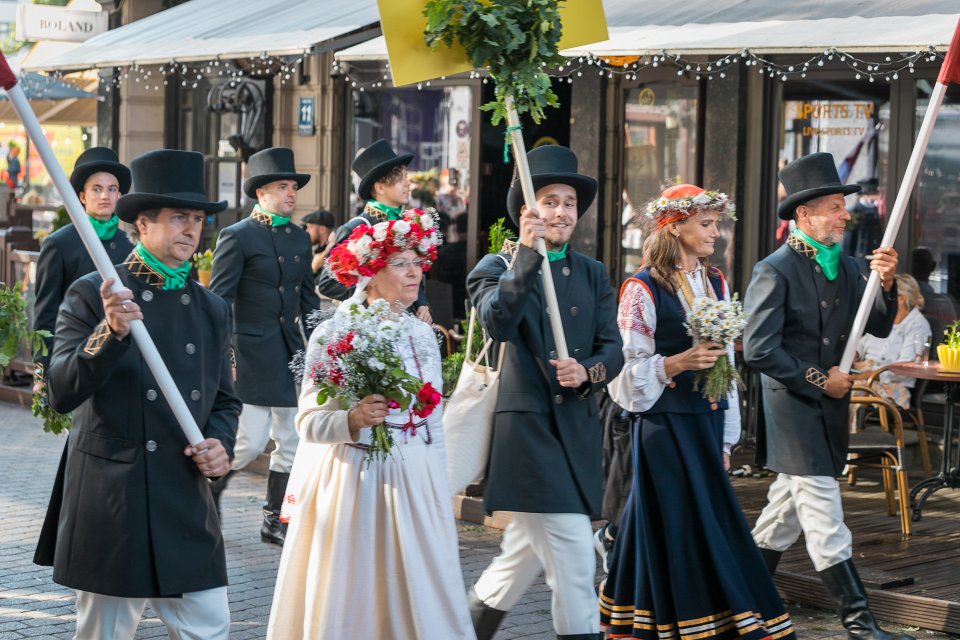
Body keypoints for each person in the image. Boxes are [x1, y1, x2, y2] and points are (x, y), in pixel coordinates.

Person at [39, 148, 239, 638]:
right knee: (104, 633)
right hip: (115, 498)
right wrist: (110, 331)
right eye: (178, 218)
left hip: (183, 495)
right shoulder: (94, 292)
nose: (191, 229)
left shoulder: (212, 309)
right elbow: (60, 391)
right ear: (143, 224)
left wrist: (221, 444)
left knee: (210, 626)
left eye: (197, 218)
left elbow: (225, 399)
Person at [266, 209, 475, 639]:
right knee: (353, 593)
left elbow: (432, 421)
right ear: (372, 272)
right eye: (400, 263)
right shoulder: (334, 333)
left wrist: (439, 484)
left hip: (414, 483)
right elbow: (307, 422)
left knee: (420, 590)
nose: (414, 271)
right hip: (354, 486)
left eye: (417, 260)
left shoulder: (423, 335)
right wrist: (353, 419)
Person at [598, 184, 795, 639]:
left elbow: (725, 361)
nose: (715, 233)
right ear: (675, 226)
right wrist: (677, 363)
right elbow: (622, 375)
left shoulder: (716, 281)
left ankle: (674, 604)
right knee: (678, 525)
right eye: (705, 224)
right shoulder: (640, 288)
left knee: (703, 519)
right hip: (663, 427)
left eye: (716, 223)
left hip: (704, 421)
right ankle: (683, 622)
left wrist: (726, 435)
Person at [744, 152, 910, 640]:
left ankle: (744, 603)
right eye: (835, 207)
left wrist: (885, 282)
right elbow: (758, 350)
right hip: (793, 409)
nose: (845, 215)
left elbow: (877, 326)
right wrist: (821, 379)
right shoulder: (774, 269)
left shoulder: (853, 266)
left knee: (780, 518)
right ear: (805, 214)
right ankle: (861, 626)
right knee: (824, 517)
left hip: (829, 411)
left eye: (843, 206)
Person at [465, 145, 624, 640]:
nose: (561, 212)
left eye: (569, 203)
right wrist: (527, 259)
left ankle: (465, 629)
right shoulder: (496, 266)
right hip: (528, 434)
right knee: (576, 557)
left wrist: (589, 371)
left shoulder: (594, 273)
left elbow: (613, 348)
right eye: (549, 201)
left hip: (576, 432)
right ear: (525, 212)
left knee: (520, 558)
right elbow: (498, 323)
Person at [209, 146, 320, 545]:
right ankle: (206, 496)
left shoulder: (298, 237)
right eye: (281, 186)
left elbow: (307, 298)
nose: (290, 193)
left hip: (290, 352)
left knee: (293, 442)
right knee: (248, 442)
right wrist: (227, 356)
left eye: (292, 186)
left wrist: (321, 346)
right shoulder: (236, 236)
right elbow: (218, 303)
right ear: (261, 193)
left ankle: (278, 518)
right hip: (250, 355)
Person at [32, 147, 136, 566]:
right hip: (80, 360)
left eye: (113, 189)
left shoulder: (129, 243)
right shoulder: (60, 243)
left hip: (124, 361)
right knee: (84, 448)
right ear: (80, 195)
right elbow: (43, 313)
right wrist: (44, 371)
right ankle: (73, 536)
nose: (107, 196)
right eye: (98, 189)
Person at [316, 138, 432, 324]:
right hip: (369, 327)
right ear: (379, 187)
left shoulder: (405, 225)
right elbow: (327, 283)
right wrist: (373, 293)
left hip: (403, 323)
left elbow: (411, 270)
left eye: (406, 177)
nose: (407, 183)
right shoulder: (356, 228)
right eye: (400, 178)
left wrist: (421, 304)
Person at [854, 273, 932, 409]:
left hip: (892, 385)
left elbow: (905, 368)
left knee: (847, 391)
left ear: (901, 298)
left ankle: (844, 430)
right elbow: (863, 343)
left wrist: (868, 375)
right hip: (863, 375)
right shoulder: (885, 318)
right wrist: (854, 355)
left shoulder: (918, 325)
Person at [302, 209, 336, 276]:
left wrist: (314, 267)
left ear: (322, 229)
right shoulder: (318, 251)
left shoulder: (332, 254)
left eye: (310, 227)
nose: (306, 231)